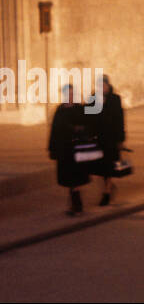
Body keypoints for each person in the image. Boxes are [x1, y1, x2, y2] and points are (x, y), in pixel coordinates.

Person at [48, 83, 94, 216]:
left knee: (76, 178)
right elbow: (54, 131)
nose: (71, 96)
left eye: (73, 93)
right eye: (69, 94)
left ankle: (76, 205)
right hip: (65, 150)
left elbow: (89, 122)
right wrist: (52, 149)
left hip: (77, 148)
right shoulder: (60, 110)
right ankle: (75, 204)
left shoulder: (80, 108)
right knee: (69, 178)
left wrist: (79, 129)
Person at [89, 75, 125, 206]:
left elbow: (120, 120)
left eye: (104, 85)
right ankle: (108, 188)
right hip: (98, 139)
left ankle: (107, 192)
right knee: (99, 168)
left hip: (111, 139)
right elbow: (86, 116)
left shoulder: (115, 99)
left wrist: (121, 139)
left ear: (108, 86)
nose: (102, 88)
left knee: (109, 167)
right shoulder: (93, 99)